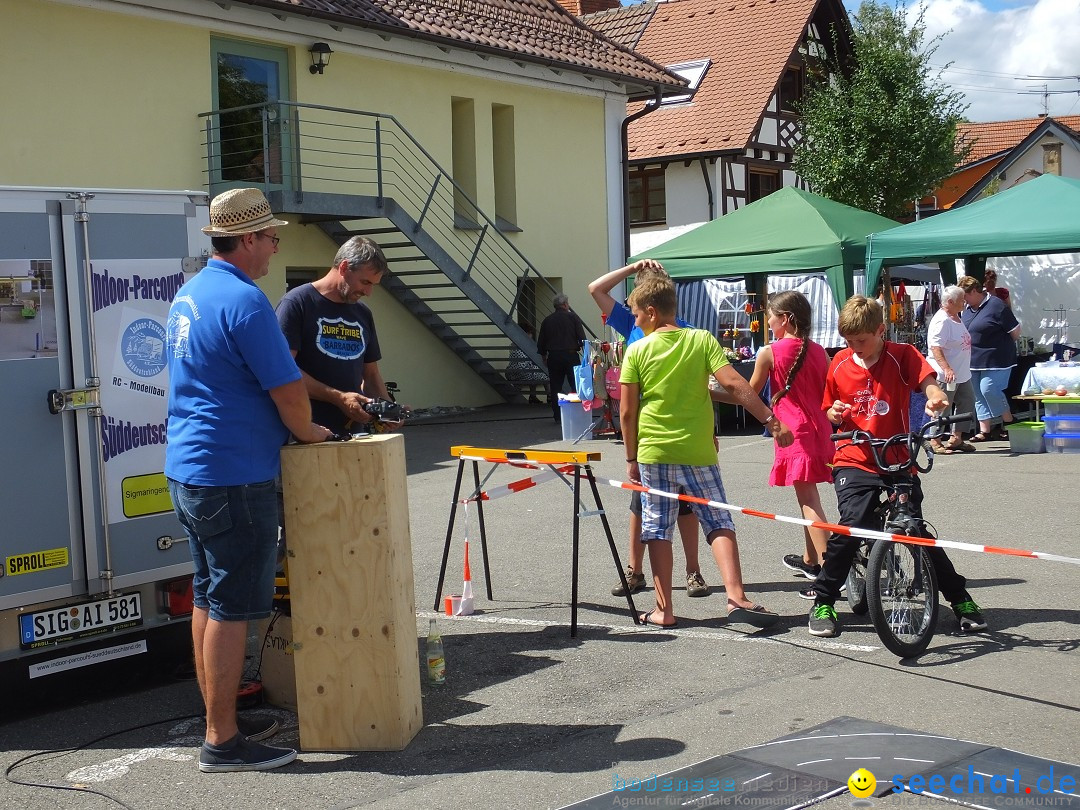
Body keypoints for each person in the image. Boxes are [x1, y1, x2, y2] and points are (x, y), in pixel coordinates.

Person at [165, 188, 332, 772]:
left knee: (209, 596)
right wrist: (310, 432)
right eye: (271, 238)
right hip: (234, 472)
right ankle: (221, 739)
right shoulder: (246, 299)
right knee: (234, 605)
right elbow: (286, 389)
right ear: (249, 240)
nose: (275, 248)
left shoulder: (190, 293)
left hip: (192, 467)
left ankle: (221, 714)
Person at [620, 273, 794, 628]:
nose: (635, 321)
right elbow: (734, 383)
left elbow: (626, 411)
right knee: (718, 520)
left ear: (652, 312)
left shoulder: (637, 350)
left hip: (655, 451)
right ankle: (736, 597)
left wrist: (630, 457)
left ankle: (663, 610)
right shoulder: (701, 339)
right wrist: (769, 419)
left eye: (637, 314)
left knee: (656, 527)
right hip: (699, 449)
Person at [808, 295, 987, 638]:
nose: (855, 347)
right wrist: (832, 412)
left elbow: (925, 379)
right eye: (848, 341)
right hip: (854, 458)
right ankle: (823, 600)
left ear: (880, 330)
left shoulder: (901, 354)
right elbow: (829, 404)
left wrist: (934, 394)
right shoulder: (841, 362)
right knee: (852, 526)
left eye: (861, 340)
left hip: (896, 458)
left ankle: (960, 599)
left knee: (917, 530)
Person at [588, 259, 710, 600]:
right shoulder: (633, 321)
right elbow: (595, 289)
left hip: (680, 429)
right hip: (646, 430)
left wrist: (709, 427)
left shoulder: (683, 328)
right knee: (640, 503)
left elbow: (700, 383)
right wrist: (631, 269)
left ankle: (693, 571)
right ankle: (635, 570)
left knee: (685, 505)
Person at [742, 290, 835, 599]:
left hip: (791, 430)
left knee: (809, 500)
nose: (768, 321)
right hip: (819, 428)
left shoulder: (769, 352)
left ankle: (829, 570)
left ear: (784, 319)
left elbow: (749, 393)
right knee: (807, 494)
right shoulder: (820, 351)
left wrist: (713, 391)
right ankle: (811, 559)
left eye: (771, 316)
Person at [276, 236, 400, 434]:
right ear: (343, 268)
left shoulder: (362, 313)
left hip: (354, 435)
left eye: (373, 285)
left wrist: (388, 413)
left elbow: (371, 375)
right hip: (306, 434)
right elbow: (283, 371)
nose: (368, 292)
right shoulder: (297, 304)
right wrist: (339, 398)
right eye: (365, 282)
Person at [959, 275, 1021, 443]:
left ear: (974, 291)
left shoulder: (996, 305)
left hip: (998, 359)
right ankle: (984, 430)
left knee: (988, 389)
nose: (962, 300)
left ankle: (1009, 421)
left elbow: (1015, 331)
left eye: (964, 295)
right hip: (974, 360)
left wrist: (1001, 345)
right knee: (978, 394)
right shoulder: (967, 309)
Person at [926, 285, 976, 454]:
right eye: (961, 300)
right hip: (946, 374)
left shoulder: (955, 316)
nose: (965, 302)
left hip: (961, 373)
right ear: (950, 302)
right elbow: (935, 347)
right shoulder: (942, 320)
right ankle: (935, 439)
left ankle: (957, 438)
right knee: (943, 406)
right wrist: (946, 368)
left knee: (967, 401)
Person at [536, 293, 586, 422]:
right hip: (570, 355)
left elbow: (541, 341)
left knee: (555, 387)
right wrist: (586, 353)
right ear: (565, 305)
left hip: (554, 356)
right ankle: (577, 413)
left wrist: (544, 356)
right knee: (575, 385)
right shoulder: (573, 317)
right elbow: (581, 338)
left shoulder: (547, 320)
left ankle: (558, 416)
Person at [506, 325, 548, 404]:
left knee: (535, 372)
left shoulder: (514, 343)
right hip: (521, 372)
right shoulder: (524, 346)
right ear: (525, 333)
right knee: (546, 373)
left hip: (511, 372)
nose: (531, 335)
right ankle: (549, 396)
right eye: (529, 333)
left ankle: (533, 397)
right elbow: (526, 362)